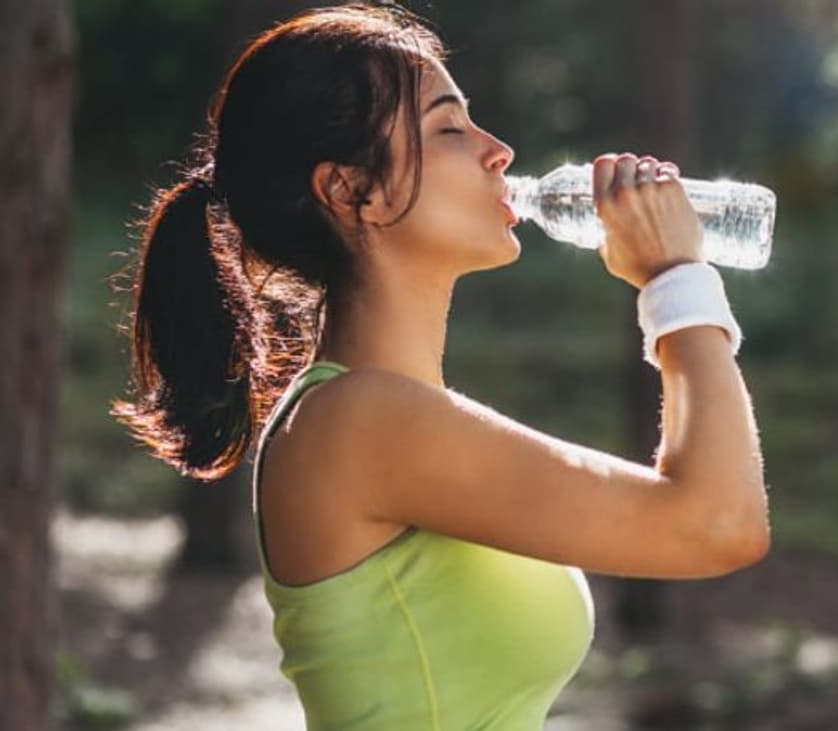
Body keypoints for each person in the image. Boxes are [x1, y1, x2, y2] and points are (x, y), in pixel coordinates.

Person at [111, 2, 769, 728]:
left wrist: (678, 281)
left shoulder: (389, 411)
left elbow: (703, 513)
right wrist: (674, 277)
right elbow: (716, 524)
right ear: (350, 191)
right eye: (449, 129)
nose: (499, 151)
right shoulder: (362, 421)